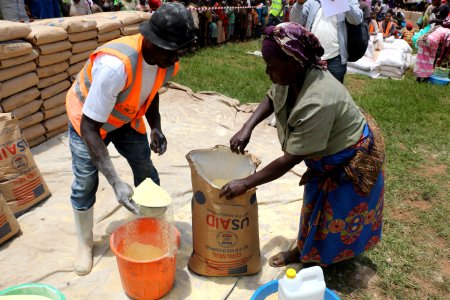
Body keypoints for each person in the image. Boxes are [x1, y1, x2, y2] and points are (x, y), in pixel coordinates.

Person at [220, 22, 385, 268]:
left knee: (338, 212)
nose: (268, 72)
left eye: (272, 66)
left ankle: (325, 262)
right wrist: (248, 127)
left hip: (351, 156)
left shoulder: (319, 99)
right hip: (326, 155)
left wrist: (245, 183)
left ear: (294, 62)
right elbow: (272, 93)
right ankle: (305, 250)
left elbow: (291, 159)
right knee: (314, 202)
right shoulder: (291, 76)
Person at [65, 2, 196, 276]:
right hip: (87, 120)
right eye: (175, 51)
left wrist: (156, 127)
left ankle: (151, 230)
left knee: (146, 170)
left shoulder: (165, 60)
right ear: (152, 42)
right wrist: (115, 181)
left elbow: (152, 90)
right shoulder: (116, 66)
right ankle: (84, 243)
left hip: (124, 117)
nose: (177, 59)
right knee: (87, 180)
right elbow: (90, 127)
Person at [300, 0, 363, 83]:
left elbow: (356, 20)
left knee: (334, 94)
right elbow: (297, 20)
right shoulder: (312, 2)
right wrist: (298, 4)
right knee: (311, 93)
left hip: (335, 59)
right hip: (311, 58)